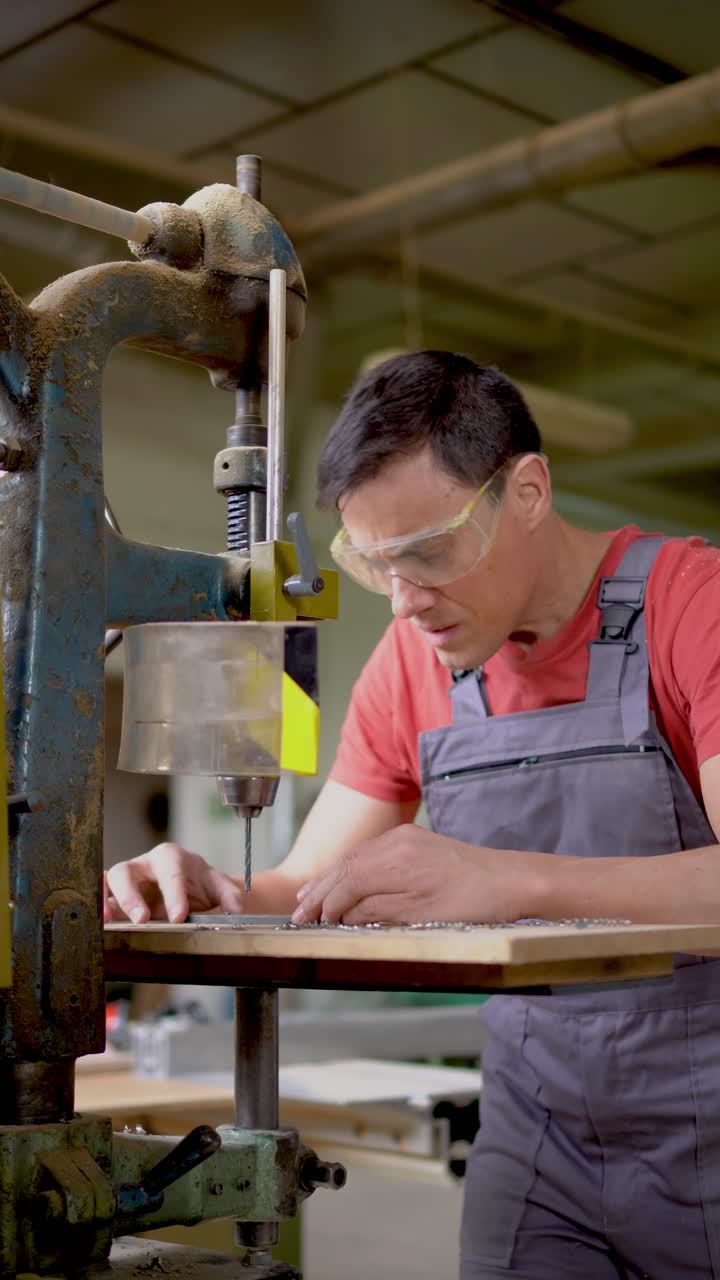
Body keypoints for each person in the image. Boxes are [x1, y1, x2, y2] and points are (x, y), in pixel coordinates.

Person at [105, 351, 720, 1280]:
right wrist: (210, 891)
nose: (405, 601)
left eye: (429, 552)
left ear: (528, 491)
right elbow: (304, 886)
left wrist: (507, 884)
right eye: (375, 563)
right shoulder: (414, 658)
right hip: (537, 1136)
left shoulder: (691, 606)